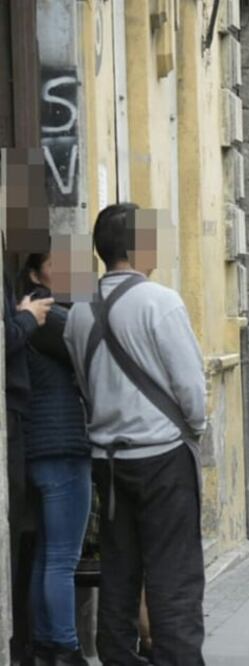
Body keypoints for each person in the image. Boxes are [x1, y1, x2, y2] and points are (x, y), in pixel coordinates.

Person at [64, 203, 208, 663]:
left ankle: (118, 658)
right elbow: (191, 385)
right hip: (162, 456)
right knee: (173, 574)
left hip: (107, 460)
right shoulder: (161, 302)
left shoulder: (78, 313)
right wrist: (197, 426)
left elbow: (84, 385)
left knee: (120, 573)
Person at [18, 253, 92, 665]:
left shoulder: (32, 312)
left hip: (39, 446)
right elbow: (89, 349)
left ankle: (46, 642)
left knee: (47, 552)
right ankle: (65, 646)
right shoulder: (50, 312)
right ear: (33, 273)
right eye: (54, 261)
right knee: (63, 556)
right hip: (62, 445)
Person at [5, 262, 53, 664]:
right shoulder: (50, 316)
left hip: (25, 427)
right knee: (39, 544)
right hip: (26, 427)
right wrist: (26, 319)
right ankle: (40, 645)